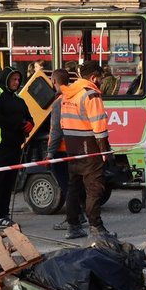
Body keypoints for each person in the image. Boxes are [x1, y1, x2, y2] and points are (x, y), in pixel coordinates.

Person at [59, 61, 112, 241]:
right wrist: (104, 151)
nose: (101, 81)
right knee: (94, 188)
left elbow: (62, 123)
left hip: (72, 147)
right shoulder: (91, 95)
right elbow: (99, 126)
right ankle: (96, 226)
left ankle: (73, 226)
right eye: (101, 78)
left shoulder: (68, 94)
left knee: (74, 187)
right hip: (90, 147)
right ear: (93, 77)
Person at [0, 66, 34, 234]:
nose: (16, 83)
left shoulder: (17, 99)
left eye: (18, 80)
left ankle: (2, 216)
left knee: (8, 183)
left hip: (14, 145)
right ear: (5, 79)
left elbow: (28, 116)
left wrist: (30, 125)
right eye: (13, 80)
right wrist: (19, 125)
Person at [46, 69, 87, 231]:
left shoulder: (58, 102)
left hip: (61, 151)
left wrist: (50, 153)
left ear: (54, 82)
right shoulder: (74, 98)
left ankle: (74, 219)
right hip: (74, 148)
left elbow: (56, 130)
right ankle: (79, 214)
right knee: (74, 184)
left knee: (67, 186)